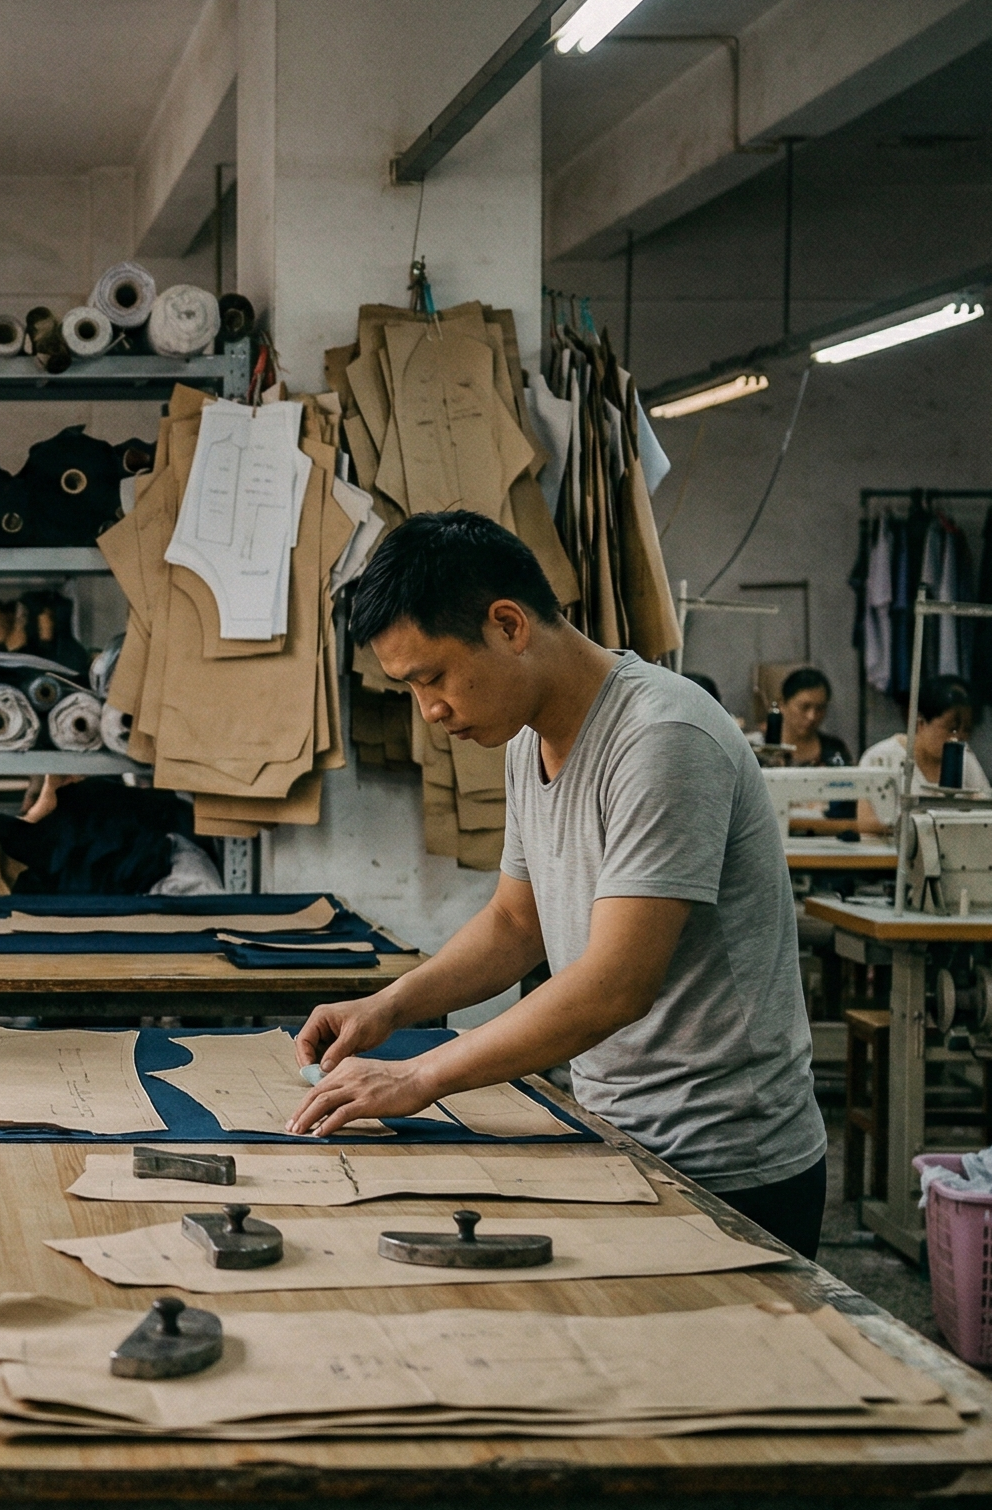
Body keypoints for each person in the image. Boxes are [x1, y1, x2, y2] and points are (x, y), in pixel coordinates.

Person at [286, 512, 827, 1256]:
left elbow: (614, 986)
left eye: (433, 677)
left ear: (508, 625)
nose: (431, 710)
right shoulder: (529, 739)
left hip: (726, 1165)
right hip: (616, 1134)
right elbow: (516, 923)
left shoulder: (662, 738)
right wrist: (388, 1007)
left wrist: (419, 1076)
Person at [854, 676, 988, 834]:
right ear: (920, 723)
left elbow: (986, 813)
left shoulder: (965, 758)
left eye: (967, 730)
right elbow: (865, 823)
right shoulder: (880, 759)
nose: (957, 738)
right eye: (950, 728)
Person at [772, 667, 850, 767]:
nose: (812, 716)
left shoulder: (835, 750)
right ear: (782, 704)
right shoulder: (759, 751)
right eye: (804, 707)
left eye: (820, 708)